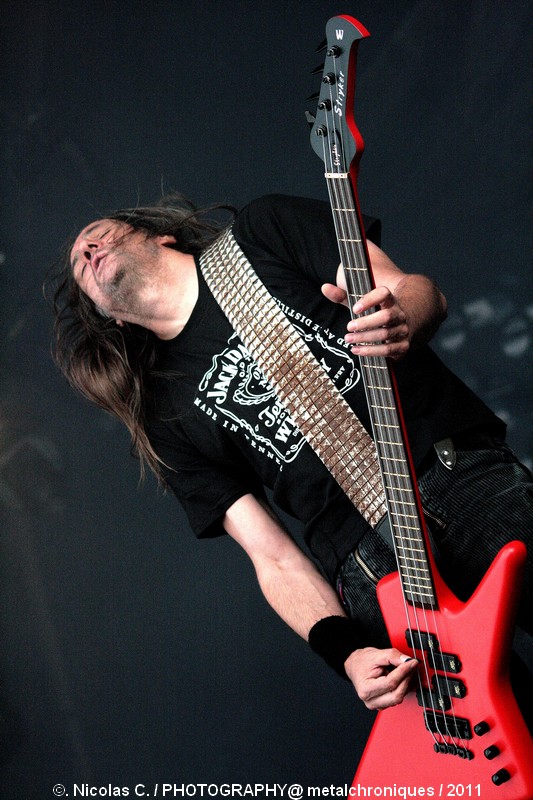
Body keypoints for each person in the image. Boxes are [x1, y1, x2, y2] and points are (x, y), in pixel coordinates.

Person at [49, 192, 532, 715]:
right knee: (500, 734)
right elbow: (271, 556)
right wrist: (346, 654)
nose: (89, 251)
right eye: (80, 264)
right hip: (371, 570)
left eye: (99, 234)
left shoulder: (263, 231)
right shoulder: (161, 412)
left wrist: (403, 319)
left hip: (457, 479)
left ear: (162, 235)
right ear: (110, 318)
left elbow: (412, 289)